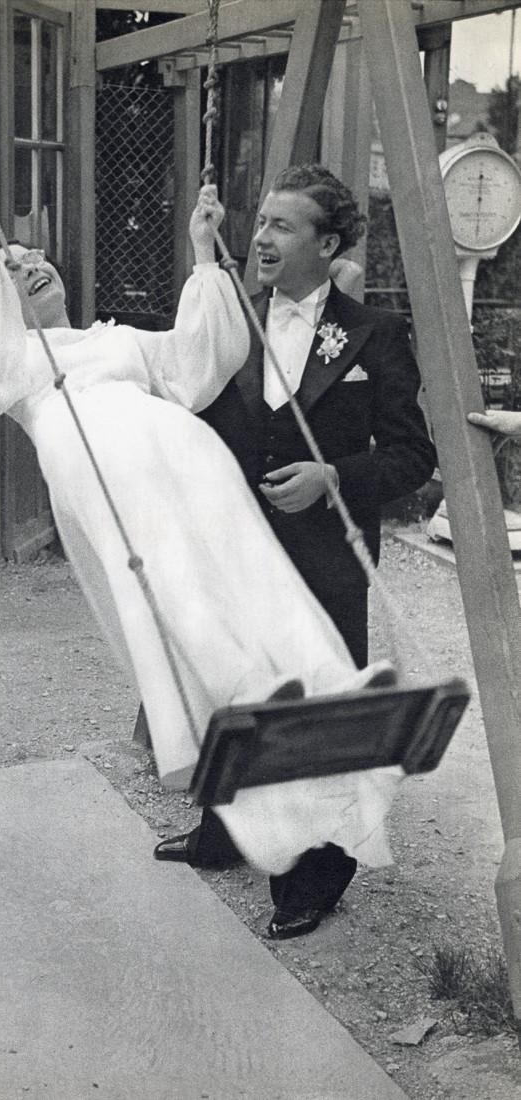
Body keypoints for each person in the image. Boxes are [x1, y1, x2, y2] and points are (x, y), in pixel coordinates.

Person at [0, 167, 403, 887]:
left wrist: (201, 250)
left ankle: (318, 847)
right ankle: (234, 809)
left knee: (268, 629)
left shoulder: (122, 338)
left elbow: (199, 359)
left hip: (202, 483)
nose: (29, 265)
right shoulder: (16, 359)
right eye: (13, 267)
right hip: (120, 486)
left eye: (35, 257)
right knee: (193, 633)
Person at [157, 164, 437, 938]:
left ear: (328, 244)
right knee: (235, 687)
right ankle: (224, 833)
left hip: (327, 563)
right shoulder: (235, 322)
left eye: (282, 225)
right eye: (260, 223)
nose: (261, 237)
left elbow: (413, 457)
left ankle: (315, 876)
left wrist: (333, 477)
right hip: (238, 553)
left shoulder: (375, 333)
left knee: (321, 711)